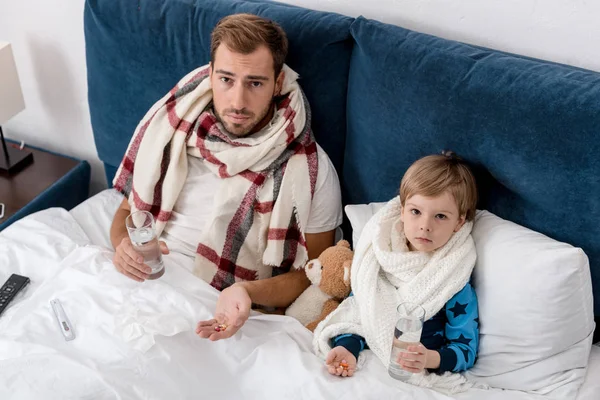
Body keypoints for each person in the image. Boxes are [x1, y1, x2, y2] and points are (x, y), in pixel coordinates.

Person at [109, 13, 342, 340]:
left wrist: (247, 292)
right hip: (143, 285)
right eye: (226, 79)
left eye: (255, 83)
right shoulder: (174, 128)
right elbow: (125, 214)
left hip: (216, 308)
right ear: (211, 74)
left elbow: (314, 273)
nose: (237, 101)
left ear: (278, 84)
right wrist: (123, 246)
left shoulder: (310, 168)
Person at [313, 152, 479, 391]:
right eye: (415, 212)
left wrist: (430, 358)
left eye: (440, 216)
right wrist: (347, 347)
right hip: (369, 360)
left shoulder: (454, 280)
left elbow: (466, 350)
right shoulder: (380, 257)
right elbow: (362, 311)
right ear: (401, 211)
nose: (425, 225)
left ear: (459, 223)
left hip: (411, 375)